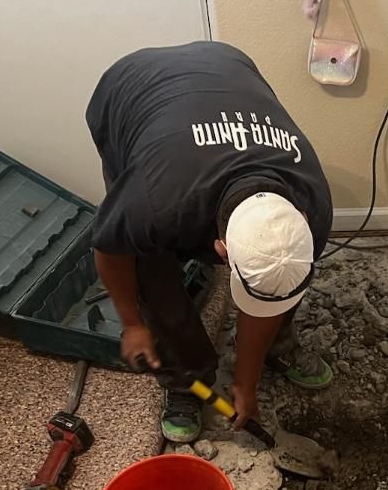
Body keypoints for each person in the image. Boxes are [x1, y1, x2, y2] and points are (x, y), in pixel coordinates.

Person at [86, 41, 334, 444]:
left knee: (282, 279)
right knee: (155, 279)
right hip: (129, 90)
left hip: (225, 63)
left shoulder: (315, 204)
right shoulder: (153, 200)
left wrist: (245, 385)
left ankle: (279, 346)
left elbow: (270, 295)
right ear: (221, 249)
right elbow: (110, 249)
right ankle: (186, 381)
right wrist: (132, 324)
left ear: (302, 220)